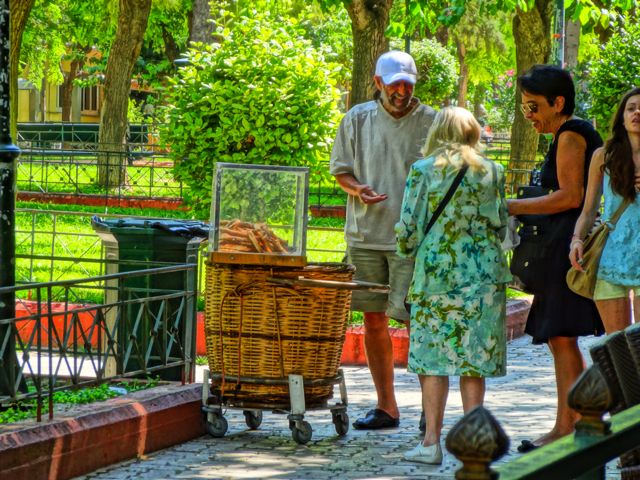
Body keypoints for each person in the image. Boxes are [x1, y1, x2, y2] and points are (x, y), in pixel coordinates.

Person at [396, 106, 510, 464]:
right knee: (473, 363)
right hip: (483, 279)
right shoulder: (493, 171)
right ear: (474, 133)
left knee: (433, 361)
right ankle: (474, 446)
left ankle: (431, 443)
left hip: (436, 279)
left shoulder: (423, 171)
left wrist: (408, 247)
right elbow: (500, 222)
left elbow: (408, 229)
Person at [330, 51, 436, 430]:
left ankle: (430, 408)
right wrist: (358, 190)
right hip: (365, 235)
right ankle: (386, 406)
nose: (402, 91)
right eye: (394, 84)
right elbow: (341, 171)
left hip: (414, 240)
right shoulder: (356, 119)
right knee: (374, 319)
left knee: (419, 321)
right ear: (378, 83)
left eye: (408, 84)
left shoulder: (432, 122)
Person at [507, 65, 605, 452]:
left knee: (562, 338)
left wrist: (510, 205)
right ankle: (572, 423)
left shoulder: (570, 134)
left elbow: (570, 196)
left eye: (533, 107)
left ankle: (570, 427)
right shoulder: (571, 132)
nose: (528, 116)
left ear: (558, 103)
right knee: (560, 339)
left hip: (566, 248)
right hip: (562, 247)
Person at [569, 87, 640, 331]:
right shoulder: (603, 155)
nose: (637, 112)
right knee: (617, 345)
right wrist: (577, 240)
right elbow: (589, 210)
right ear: (622, 116)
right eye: (631, 108)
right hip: (611, 256)